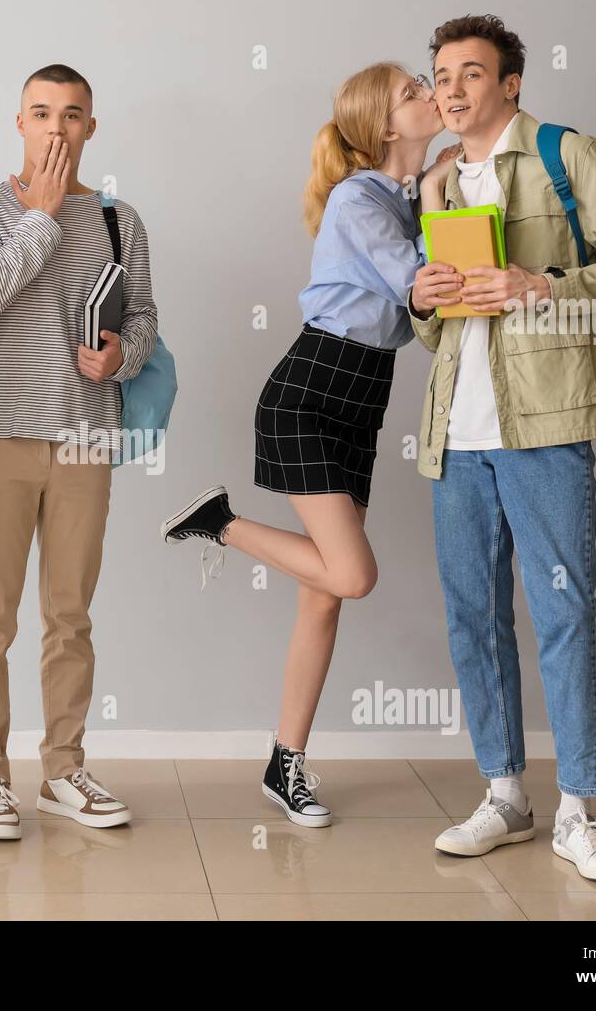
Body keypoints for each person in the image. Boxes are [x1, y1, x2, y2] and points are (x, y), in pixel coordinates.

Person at [408, 15, 596, 881]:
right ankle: (505, 796)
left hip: (548, 425)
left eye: (470, 73)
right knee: (474, 618)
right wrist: (422, 295)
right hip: (456, 432)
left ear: (510, 84)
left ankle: (578, 813)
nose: (450, 88)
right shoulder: (437, 181)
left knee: (564, 615)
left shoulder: (566, 153)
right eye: (441, 74)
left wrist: (543, 285)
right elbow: (433, 329)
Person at [161, 62, 455, 827]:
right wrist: (433, 195)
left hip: (362, 398)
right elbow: (424, 288)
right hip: (309, 391)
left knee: (323, 596)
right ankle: (219, 520)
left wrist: (434, 193)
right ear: (388, 128)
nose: (433, 94)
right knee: (353, 575)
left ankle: (284, 764)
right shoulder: (360, 199)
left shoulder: (399, 195)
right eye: (415, 91)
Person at [0, 63, 159, 839]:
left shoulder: (118, 220)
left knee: (69, 615)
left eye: (72, 115)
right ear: (20, 122)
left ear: (90, 128)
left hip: (84, 438)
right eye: (41, 112)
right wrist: (38, 215)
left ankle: (63, 770)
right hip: (0, 434)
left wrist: (121, 358)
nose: (56, 129)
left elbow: (143, 319)